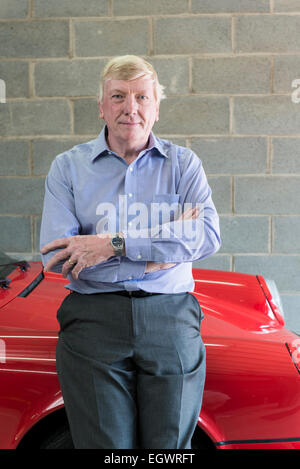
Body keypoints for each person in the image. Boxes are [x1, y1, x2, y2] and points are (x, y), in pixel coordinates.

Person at [40, 55, 221, 449]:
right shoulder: (67, 168)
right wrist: (162, 253)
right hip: (93, 322)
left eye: (142, 96)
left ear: (156, 106)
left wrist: (111, 245)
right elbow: (59, 260)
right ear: (102, 107)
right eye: (118, 96)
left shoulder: (184, 165)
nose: (131, 107)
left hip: (170, 320)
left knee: (169, 448)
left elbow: (206, 236)